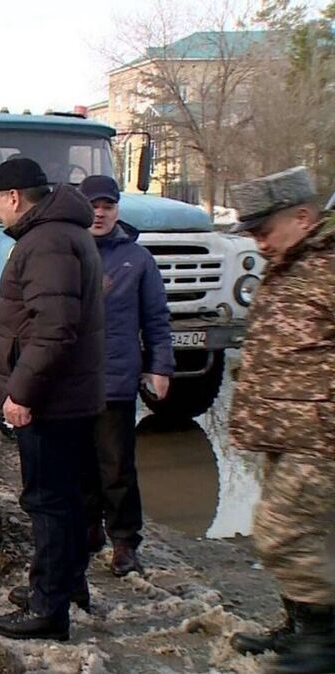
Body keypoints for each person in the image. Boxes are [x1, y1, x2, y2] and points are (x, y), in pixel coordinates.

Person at [0, 157, 106, 641]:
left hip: (51, 398)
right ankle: (65, 584)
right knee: (68, 498)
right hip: (69, 394)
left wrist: (21, 391)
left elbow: (53, 329)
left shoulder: (46, 241)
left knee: (47, 501)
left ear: (13, 197)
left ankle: (48, 609)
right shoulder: (62, 233)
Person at [224, 166, 335, 674]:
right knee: (305, 535)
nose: (257, 242)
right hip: (287, 433)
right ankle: (298, 628)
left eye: (263, 231)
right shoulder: (291, 265)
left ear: (304, 217)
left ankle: (322, 646)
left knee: (281, 532)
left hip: (320, 435)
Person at [77, 174, 174, 577]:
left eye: (108, 206)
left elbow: (156, 318)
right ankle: (86, 529)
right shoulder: (67, 252)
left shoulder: (138, 259)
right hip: (70, 381)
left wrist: (160, 366)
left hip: (115, 379)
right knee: (77, 464)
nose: (100, 213)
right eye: (93, 206)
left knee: (116, 465)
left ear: (117, 210)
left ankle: (123, 542)